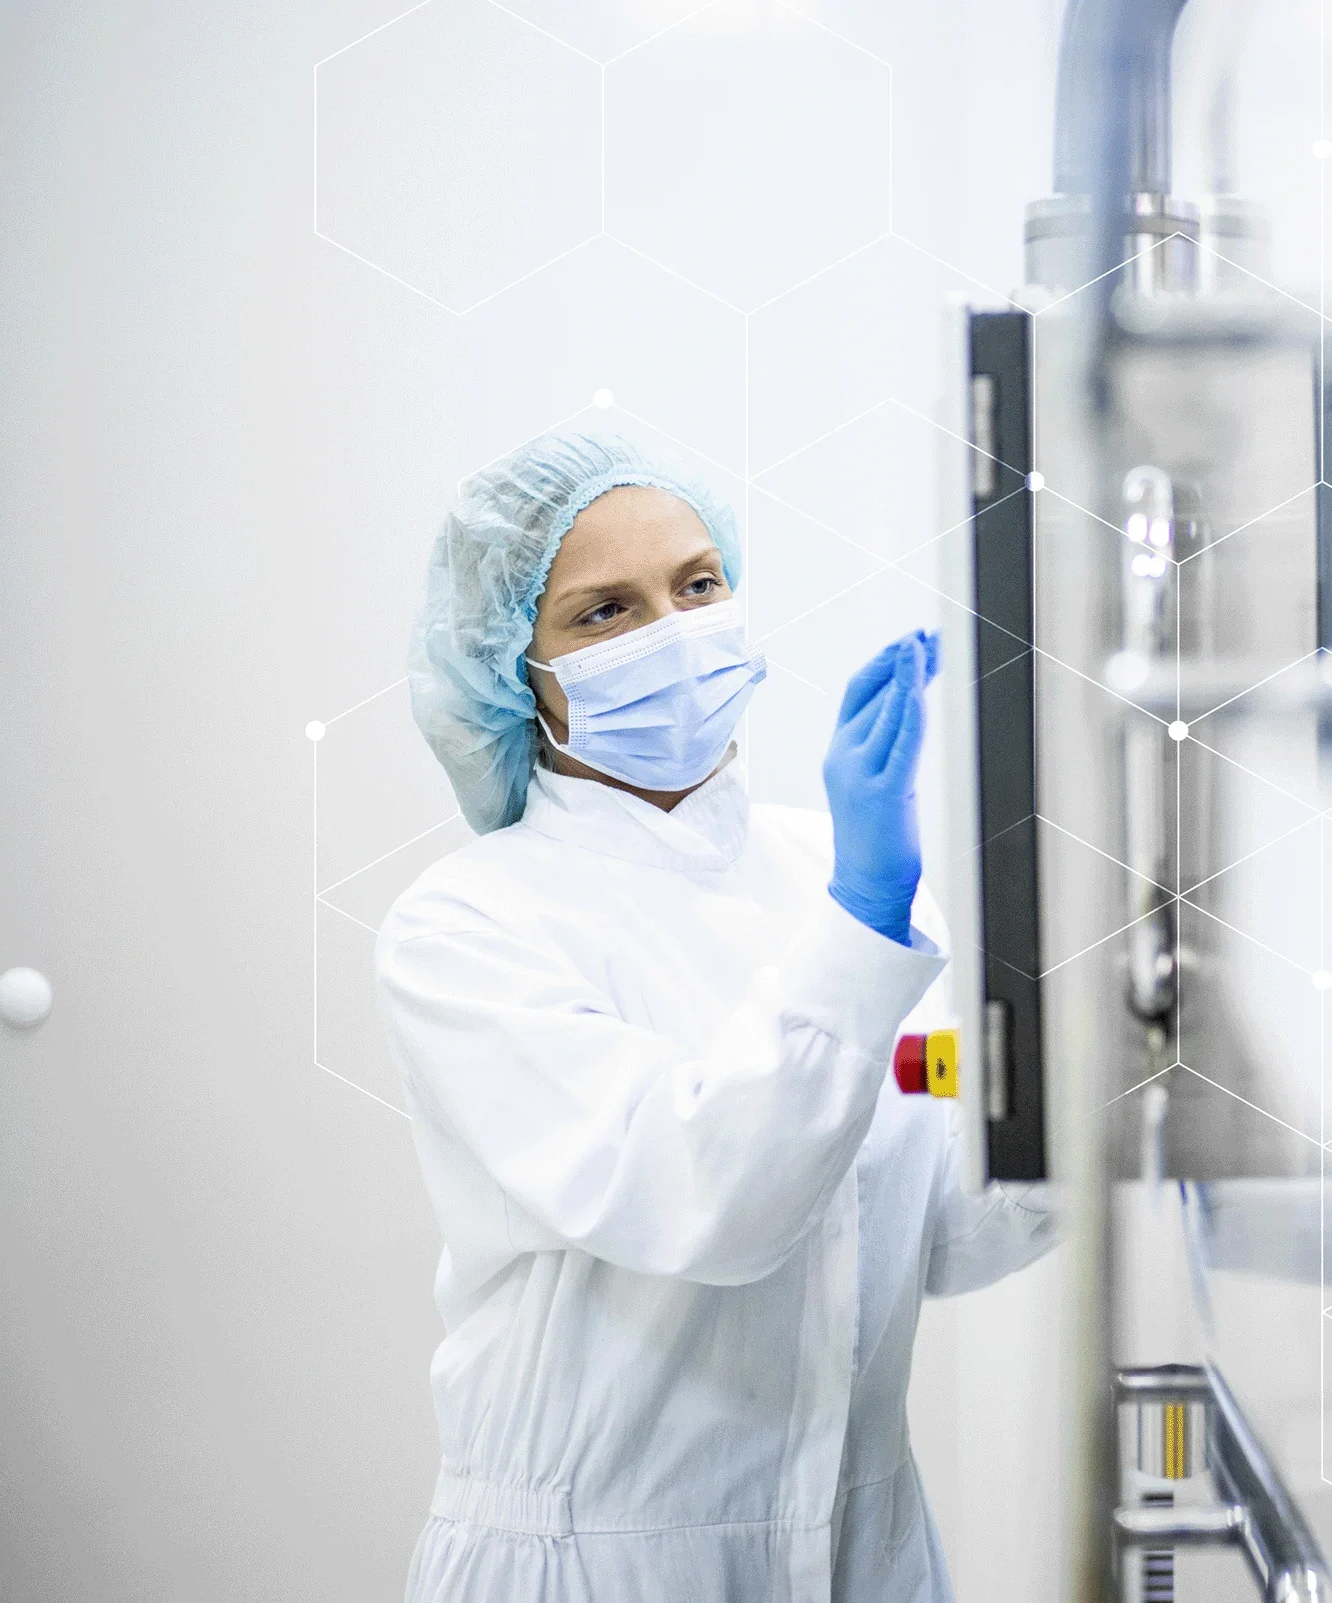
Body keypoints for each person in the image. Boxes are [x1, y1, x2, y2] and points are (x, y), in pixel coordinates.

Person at [377, 434, 1053, 1603]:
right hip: (593, 1564)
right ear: (513, 668)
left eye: (697, 585)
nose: (673, 634)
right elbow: (713, 1201)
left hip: (865, 1549)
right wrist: (862, 919)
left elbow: (933, 1234)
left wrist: (1097, 1072)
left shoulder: (835, 874)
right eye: (603, 613)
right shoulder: (469, 929)